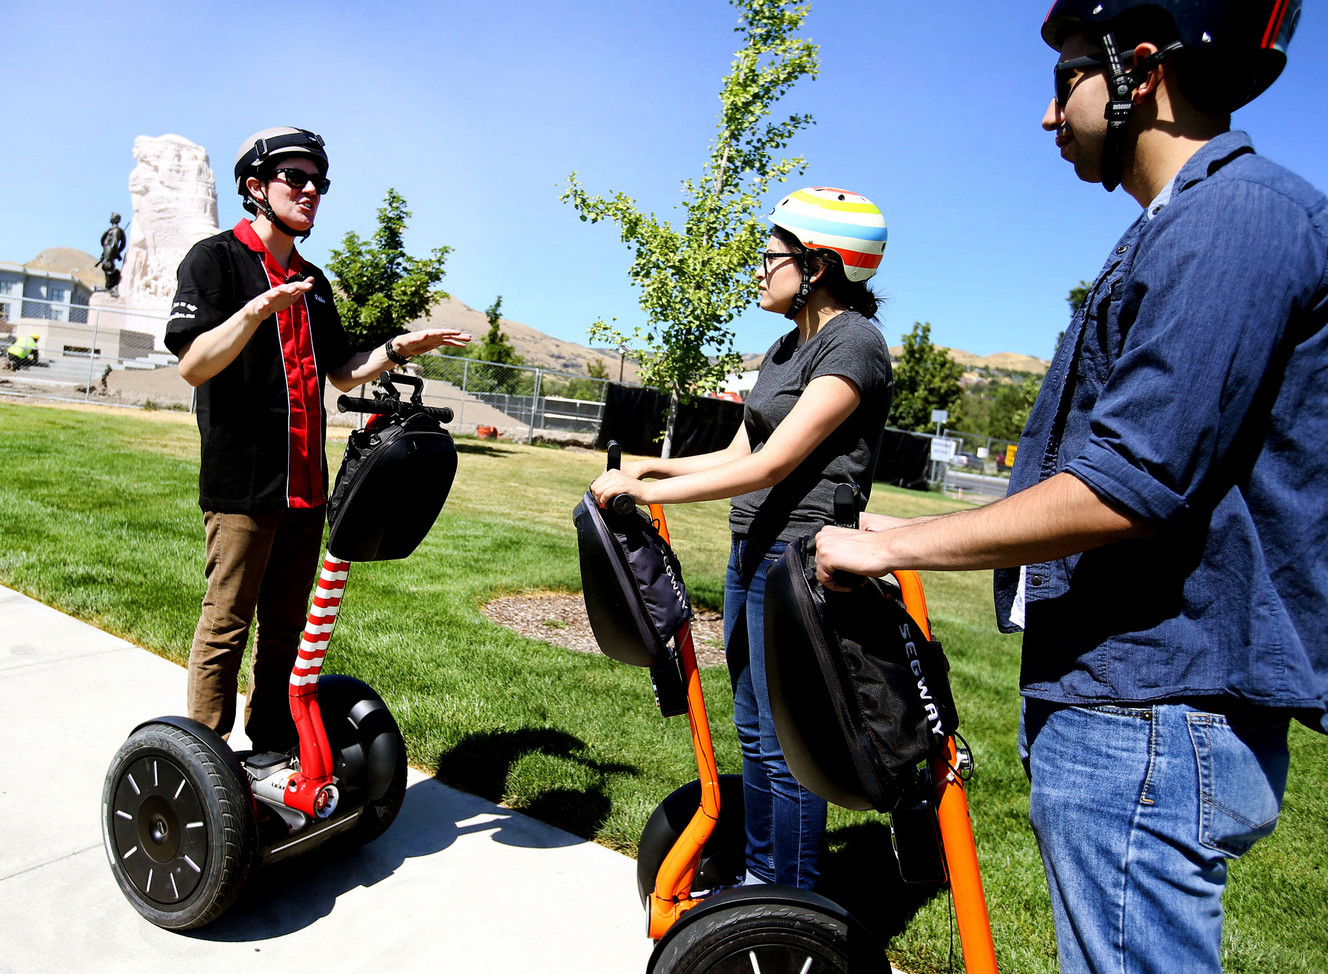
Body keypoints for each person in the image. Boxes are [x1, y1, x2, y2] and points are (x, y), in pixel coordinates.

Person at [813, 2, 1324, 970]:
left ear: (1140, 70)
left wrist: (892, 545)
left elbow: (1129, 482)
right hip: (1134, 700)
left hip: (1155, 711)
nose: (1050, 118)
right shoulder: (1184, 223)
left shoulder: (1233, 222)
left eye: (1066, 81)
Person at [591, 187, 893, 889]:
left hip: (799, 562)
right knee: (755, 729)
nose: (760, 269)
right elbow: (737, 452)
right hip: (750, 552)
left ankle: (792, 897)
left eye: (772, 256)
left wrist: (650, 492)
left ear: (816, 266)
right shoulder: (788, 347)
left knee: (792, 742)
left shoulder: (855, 346)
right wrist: (652, 466)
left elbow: (775, 462)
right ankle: (760, 878)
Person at [164, 127, 470, 752]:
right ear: (255, 187)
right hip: (243, 482)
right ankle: (204, 758)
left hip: (307, 484)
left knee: (285, 627)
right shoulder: (214, 259)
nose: (310, 191)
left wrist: (396, 349)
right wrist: (254, 311)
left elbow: (339, 371)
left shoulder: (313, 278)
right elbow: (193, 363)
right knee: (227, 622)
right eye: (295, 179)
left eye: (318, 183)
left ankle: (272, 738)